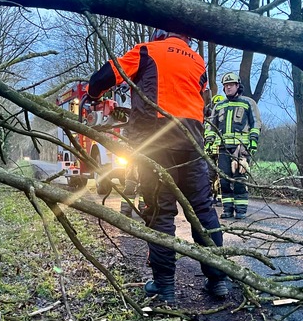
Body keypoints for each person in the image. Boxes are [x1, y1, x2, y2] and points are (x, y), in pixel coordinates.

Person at [87, 28, 228, 304]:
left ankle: (165, 286)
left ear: (159, 34)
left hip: (155, 143)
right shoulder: (198, 62)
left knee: (160, 212)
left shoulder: (147, 51)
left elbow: (103, 77)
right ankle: (218, 279)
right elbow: (202, 104)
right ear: (187, 37)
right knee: (202, 210)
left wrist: (93, 96)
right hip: (191, 142)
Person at [210, 72, 262, 220]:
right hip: (222, 148)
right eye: (226, 86)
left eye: (231, 85)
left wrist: (253, 140)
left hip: (241, 149)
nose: (228, 88)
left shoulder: (248, 103)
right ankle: (227, 209)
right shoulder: (219, 106)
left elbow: (256, 123)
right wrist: (208, 141)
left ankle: (241, 210)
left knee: (240, 179)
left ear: (238, 86)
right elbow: (211, 126)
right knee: (224, 180)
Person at [204, 94, 225, 205]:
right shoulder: (209, 119)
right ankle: (210, 196)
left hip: (219, 150)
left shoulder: (222, 120)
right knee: (209, 175)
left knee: (220, 175)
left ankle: (220, 197)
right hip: (211, 151)